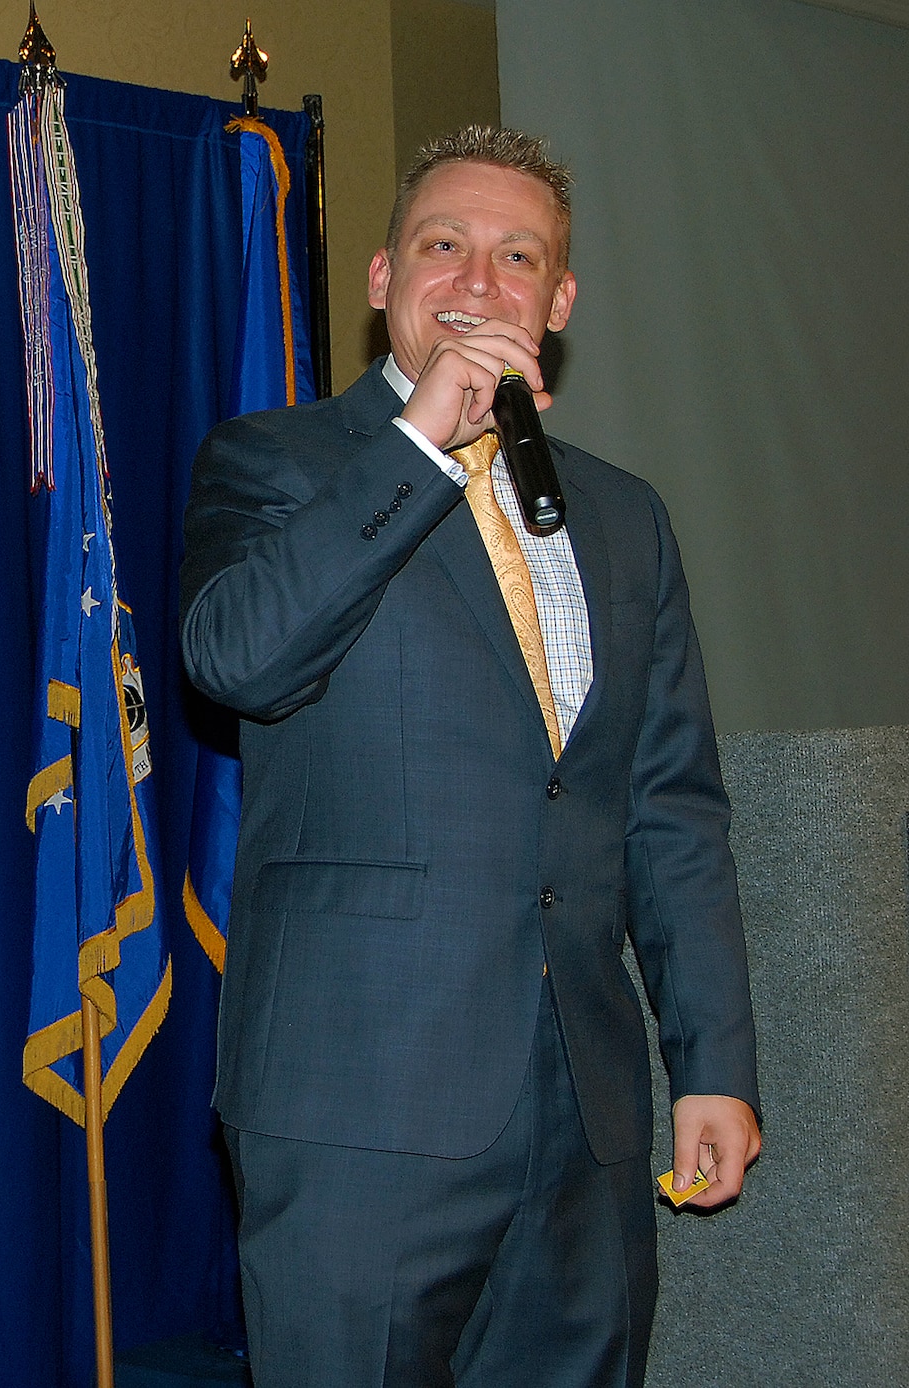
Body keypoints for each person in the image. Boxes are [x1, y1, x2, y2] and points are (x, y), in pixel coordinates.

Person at [179, 126, 761, 1386]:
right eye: (442, 244)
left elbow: (668, 807)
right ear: (381, 277)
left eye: (516, 256)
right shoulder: (275, 462)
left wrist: (710, 1062)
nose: (477, 281)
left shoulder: (622, 515)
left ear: (558, 302)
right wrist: (417, 447)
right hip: (356, 1108)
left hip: (585, 1118)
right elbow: (236, 659)